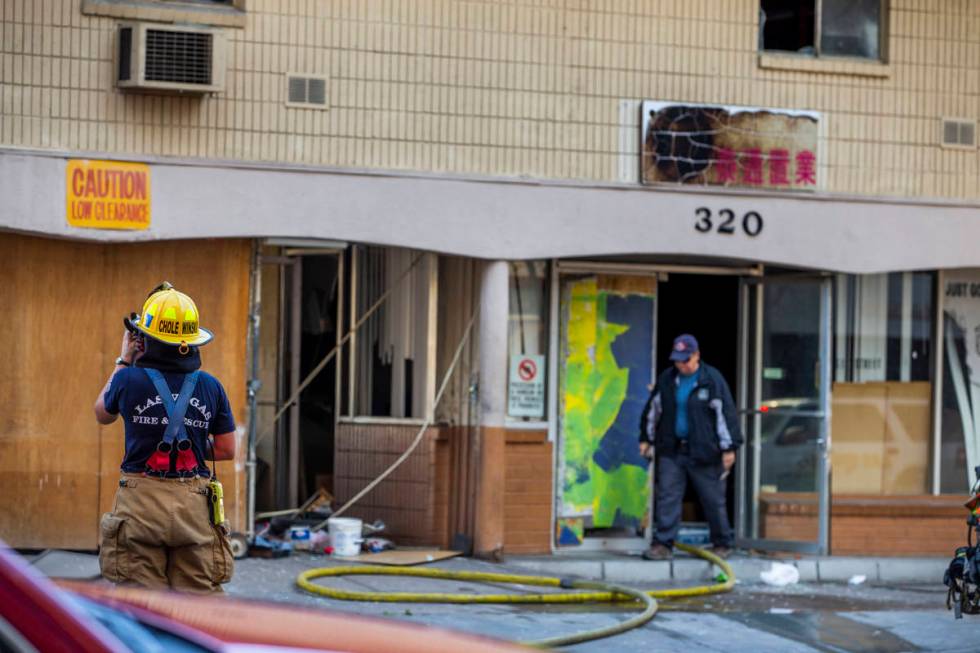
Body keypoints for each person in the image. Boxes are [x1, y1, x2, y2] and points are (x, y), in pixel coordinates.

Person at [94, 282, 237, 592]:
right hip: (194, 506)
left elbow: (102, 413)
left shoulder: (128, 379)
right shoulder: (211, 387)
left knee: (141, 605)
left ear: (145, 338)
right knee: (198, 604)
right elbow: (226, 449)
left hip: (140, 502)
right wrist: (195, 443)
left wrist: (124, 359)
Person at [639, 334, 741, 560]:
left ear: (697, 355)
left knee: (712, 499)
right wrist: (646, 438)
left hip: (705, 451)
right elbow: (652, 411)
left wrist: (729, 448)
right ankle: (663, 544)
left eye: (685, 360)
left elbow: (725, 415)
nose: (681, 365)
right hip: (672, 448)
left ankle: (722, 544)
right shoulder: (667, 379)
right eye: (677, 360)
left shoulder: (711, 379)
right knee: (668, 496)